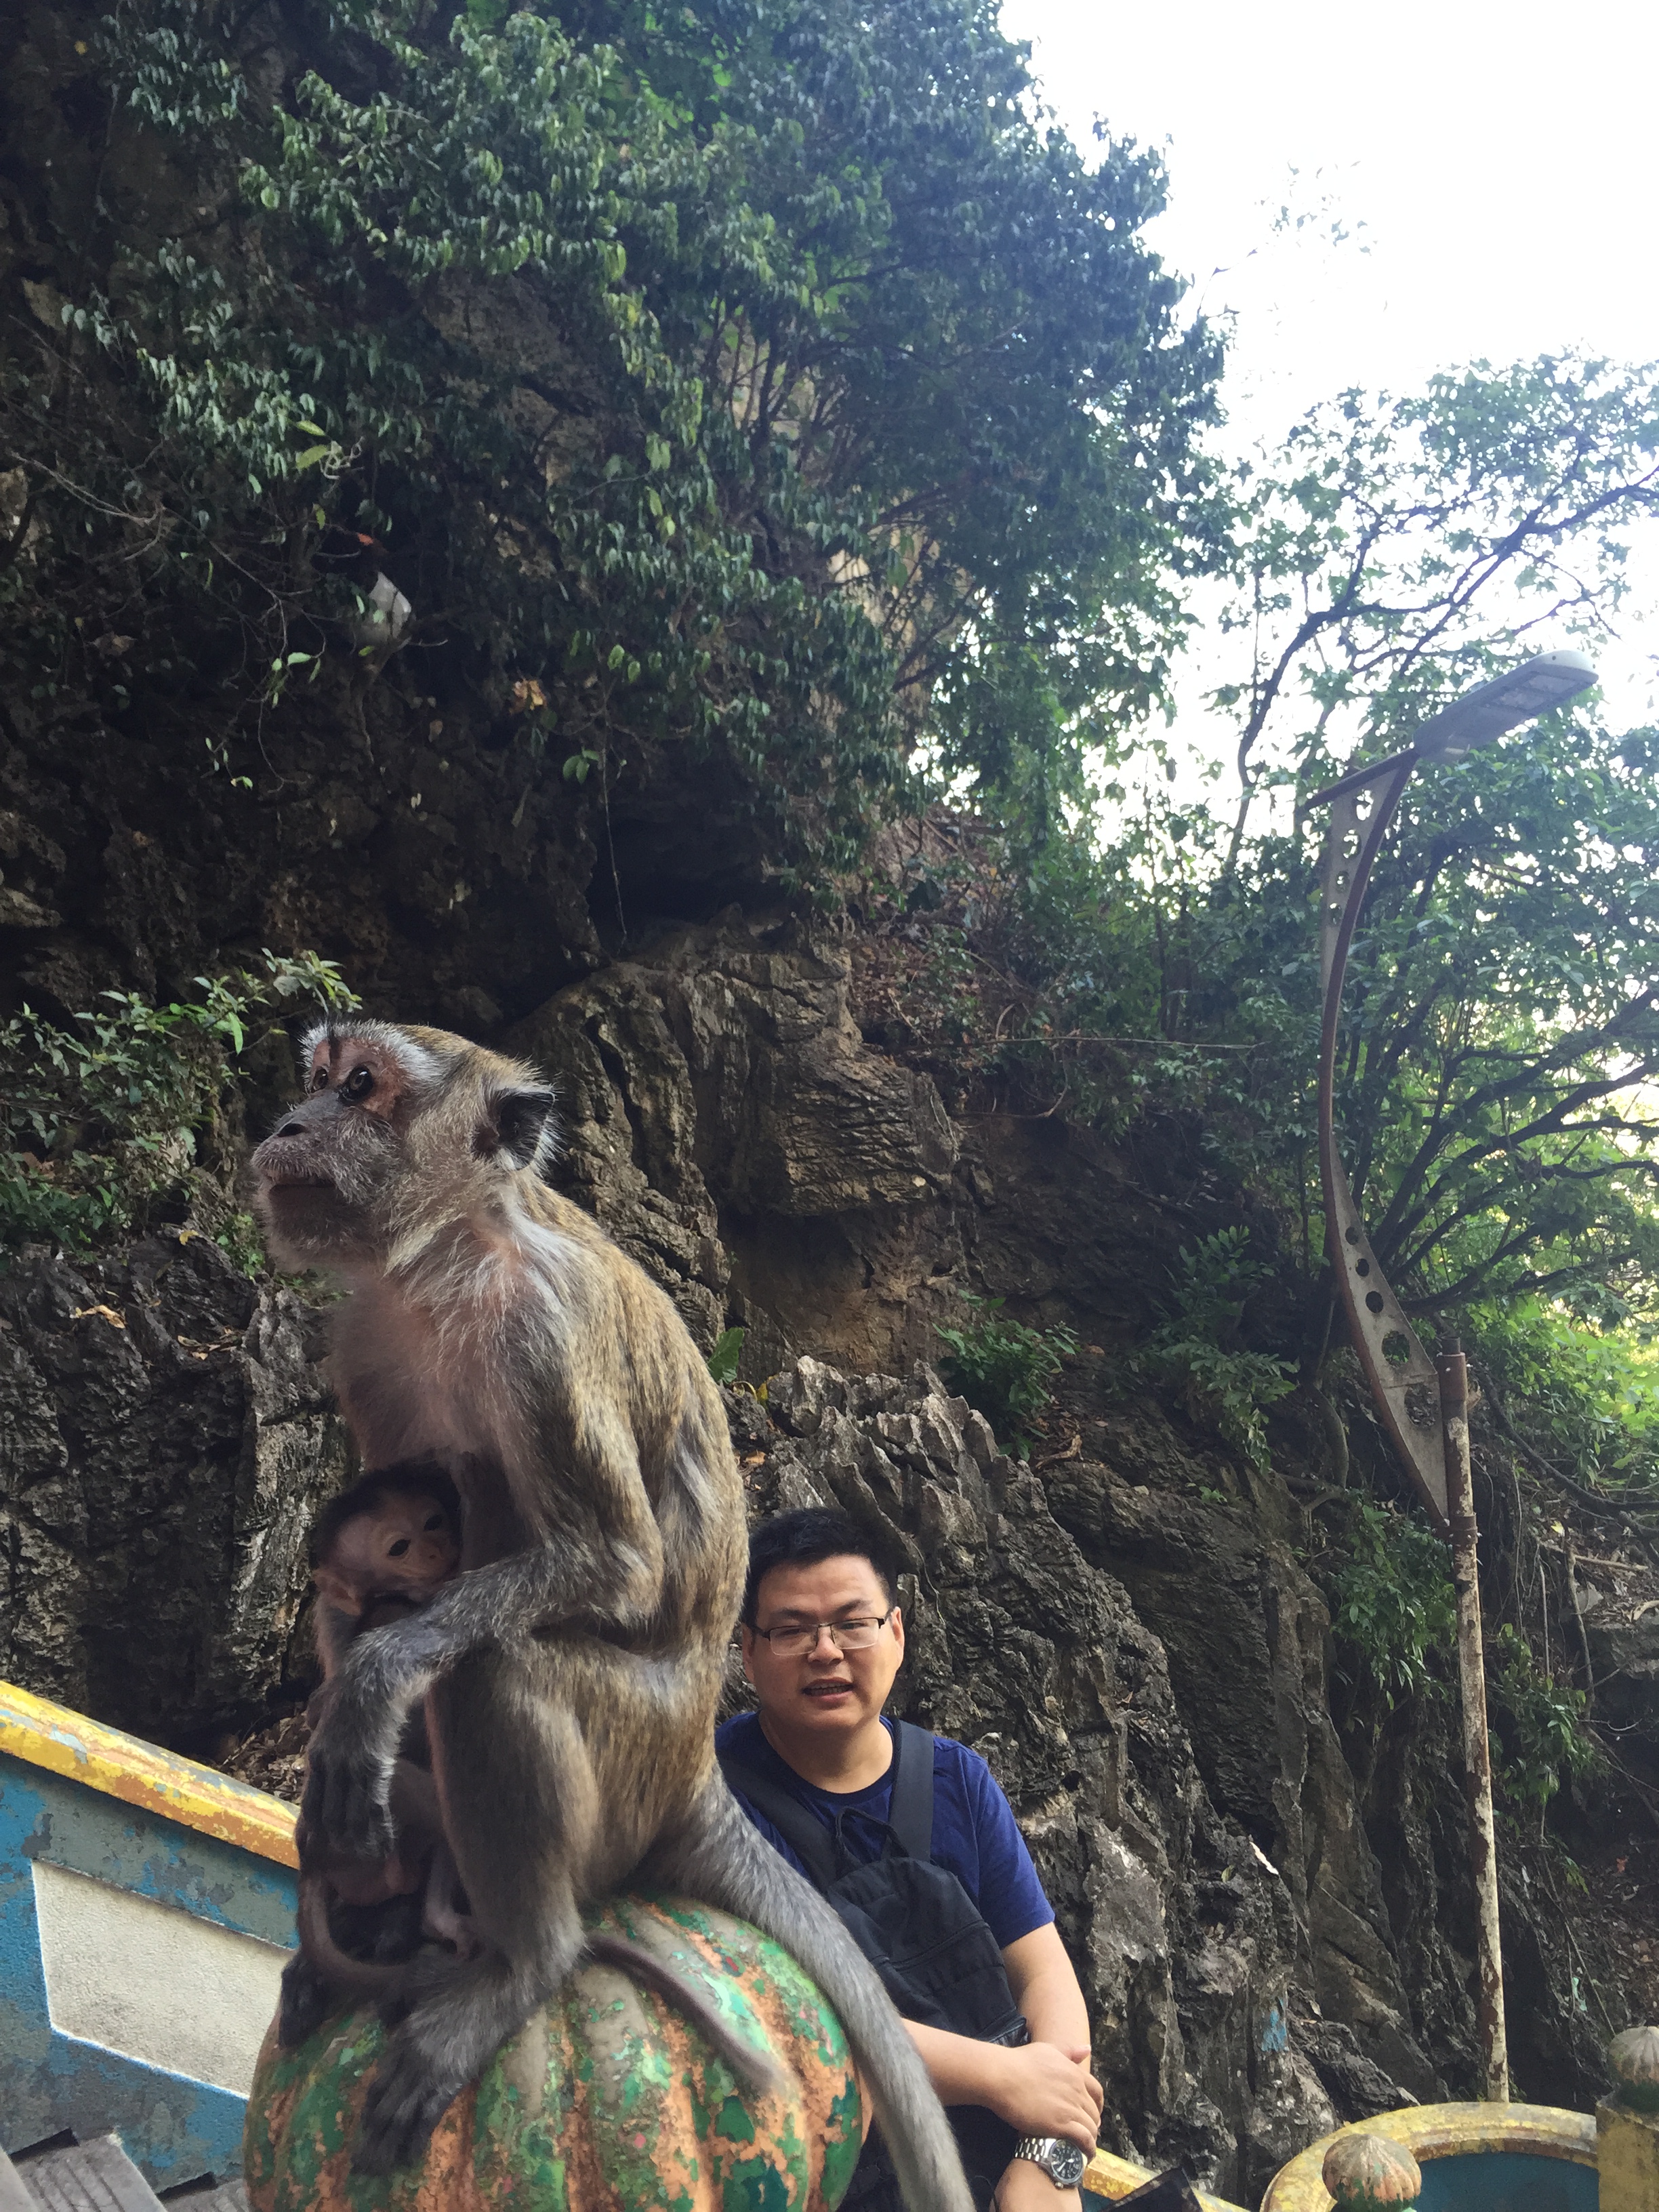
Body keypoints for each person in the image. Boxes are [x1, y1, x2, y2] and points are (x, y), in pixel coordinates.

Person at [717, 1507, 1103, 2212]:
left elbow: (1044, 1970)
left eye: (852, 1623)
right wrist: (1003, 2078)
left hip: (997, 2158)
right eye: (792, 1630)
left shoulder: (957, 1778)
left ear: (896, 1633)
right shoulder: (709, 1806)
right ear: (747, 1650)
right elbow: (788, 2024)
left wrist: (1050, 2158)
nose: (826, 1651)